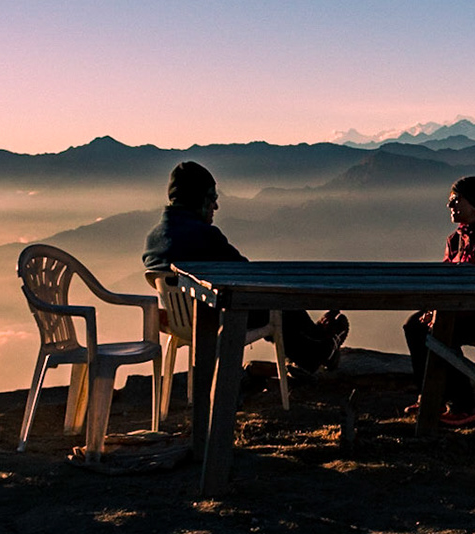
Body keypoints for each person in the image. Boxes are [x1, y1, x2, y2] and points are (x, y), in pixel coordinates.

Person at [142, 160, 348, 374]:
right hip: (216, 320)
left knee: (272, 306)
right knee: (277, 300)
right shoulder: (205, 236)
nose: (215, 206)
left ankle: (314, 344)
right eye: (212, 198)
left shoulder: (153, 239)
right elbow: (246, 274)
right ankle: (317, 348)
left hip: (181, 324)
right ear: (197, 199)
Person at [404, 174, 475, 427]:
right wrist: (434, 307)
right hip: (459, 307)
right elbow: (445, 278)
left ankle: (464, 406)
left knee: (443, 330)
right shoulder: (456, 239)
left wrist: (445, 312)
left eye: (456, 200)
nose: (450, 205)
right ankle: (430, 396)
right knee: (414, 325)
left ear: (474, 204)